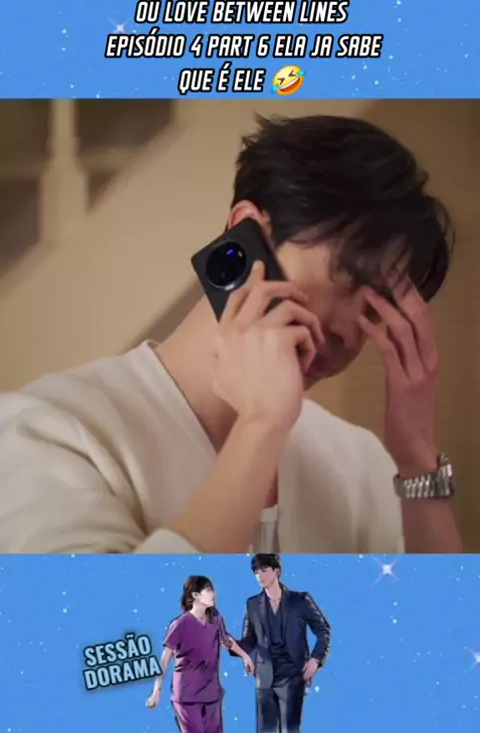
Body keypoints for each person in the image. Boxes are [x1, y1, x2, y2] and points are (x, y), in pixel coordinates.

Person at [0, 114, 463, 554]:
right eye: (347, 277)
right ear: (247, 232)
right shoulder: (48, 430)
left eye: (377, 307)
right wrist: (260, 427)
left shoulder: (358, 461)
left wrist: (416, 459)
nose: (349, 333)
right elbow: (114, 614)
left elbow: (438, 613)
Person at [146, 575, 254, 733]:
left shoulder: (215, 619)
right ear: (195, 595)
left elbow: (226, 640)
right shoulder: (180, 624)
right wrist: (157, 690)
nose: (213, 593)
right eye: (208, 590)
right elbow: (164, 659)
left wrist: (245, 656)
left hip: (211, 693)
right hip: (187, 696)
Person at [231, 553, 330, 733]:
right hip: (265, 677)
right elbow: (249, 641)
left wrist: (316, 660)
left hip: (293, 676)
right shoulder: (253, 604)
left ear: (277, 571)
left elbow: (323, 630)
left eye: (264, 570)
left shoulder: (300, 600)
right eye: (256, 572)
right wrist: (234, 646)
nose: (259, 576)